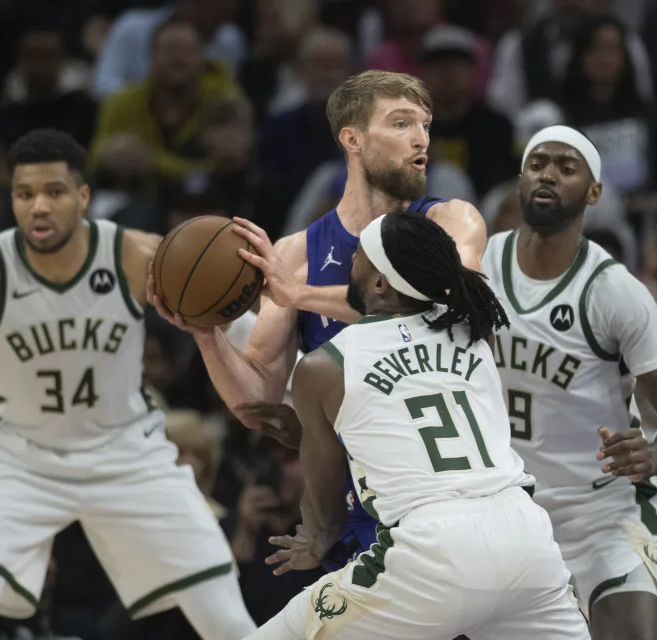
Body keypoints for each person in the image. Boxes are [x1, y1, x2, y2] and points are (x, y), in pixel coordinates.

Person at [0, 128, 255, 640]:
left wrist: (301, 366)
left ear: (82, 197)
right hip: (22, 457)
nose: (38, 206)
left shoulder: (135, 256)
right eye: (24, 193)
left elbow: (240, 325)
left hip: (127, 454)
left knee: (228, 621)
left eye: (54, 192)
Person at [152, 69, 488, 571]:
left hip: (455, 495)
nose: (421, 139)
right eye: (400, 124)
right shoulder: (296, 255)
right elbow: (259, 399)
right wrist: (207, 333)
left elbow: (450, 296)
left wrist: (302, 295)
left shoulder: (450, 220)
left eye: (425, 125)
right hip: (356, 513)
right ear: (351, 139)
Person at [245, 211, 590, 639]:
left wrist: (315, 543)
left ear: (379, 284)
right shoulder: (474, 329)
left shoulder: (324, 367)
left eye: (361, 254)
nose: (352, 258)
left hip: (434, 549)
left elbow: (327, 510)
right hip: (525, 534)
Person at [480, 125, 657, 639]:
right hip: (501, 510)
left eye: (566, 167)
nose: (549, 174)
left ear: (594, 192)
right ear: (520, 179)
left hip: (599, 513)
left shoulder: (614, 292)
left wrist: (655, 453)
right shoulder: (479, 266)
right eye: (538, 163)